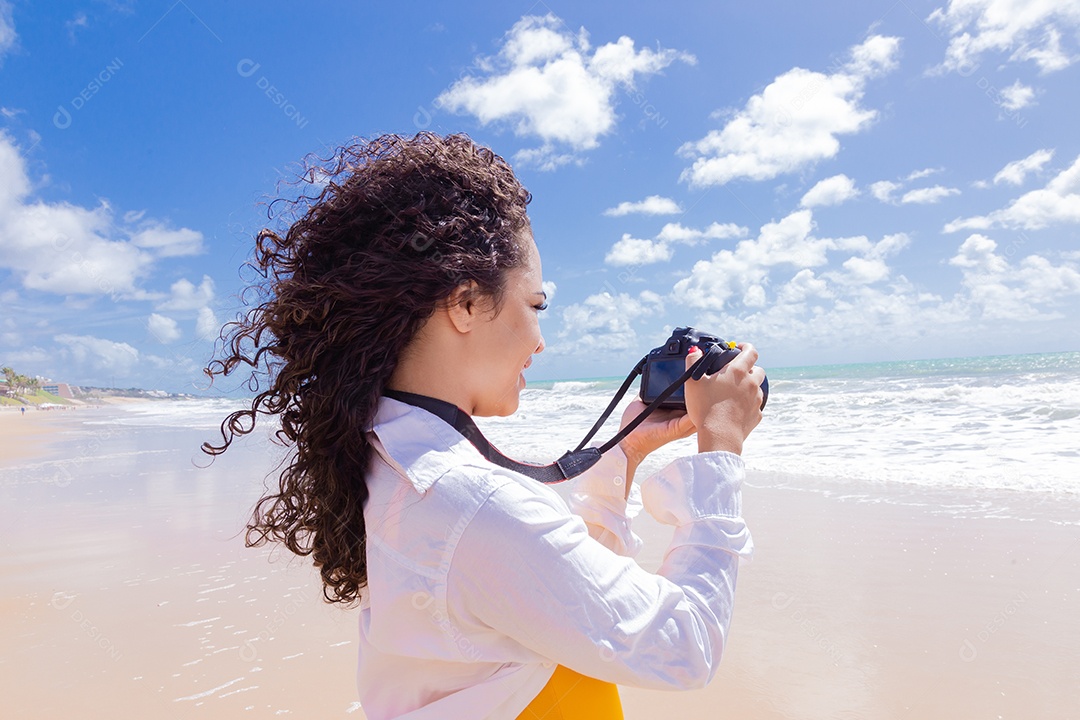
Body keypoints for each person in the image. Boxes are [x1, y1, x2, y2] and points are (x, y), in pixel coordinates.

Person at [204, 132, 765, 719]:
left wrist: (623, 452)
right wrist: (721, 446)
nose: (541, 341)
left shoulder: (392, 459)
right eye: (536, 306)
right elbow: (684, 647)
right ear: (466, 304)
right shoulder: (475, 506)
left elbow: (565, 600)